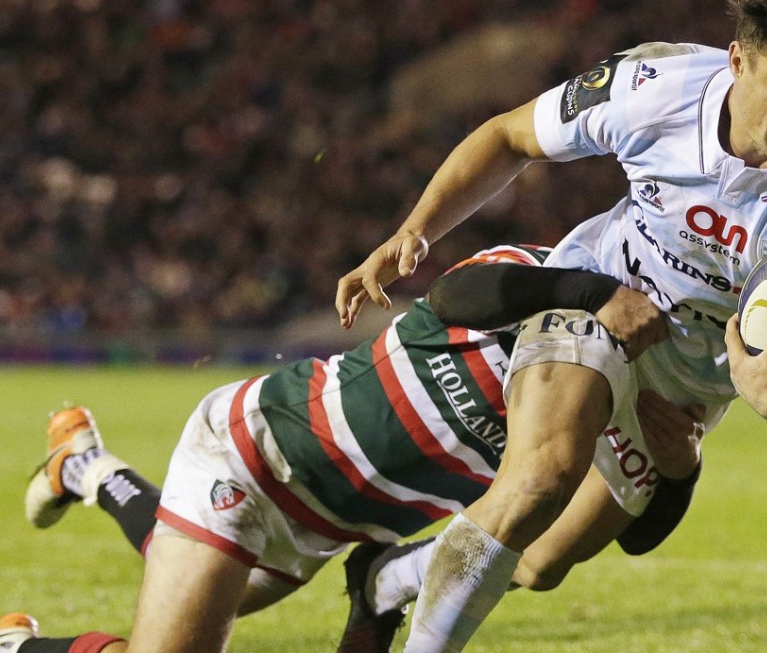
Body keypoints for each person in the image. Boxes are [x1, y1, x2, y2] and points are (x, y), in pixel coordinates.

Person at [335, 0, 767, 650]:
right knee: (539, 483)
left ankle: (383, 580)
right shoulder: (652, 87)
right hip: (599, 296)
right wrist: (416, 230)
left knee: (541, 564)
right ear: (737, 61)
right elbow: (509, 137)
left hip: (689, 386)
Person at [2, 245, 706, 653]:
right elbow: (456, 291)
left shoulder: (644, 393)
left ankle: (87, 465)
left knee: (178, 603)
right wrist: (592, 290)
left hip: (330, 529)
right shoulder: (541, 281)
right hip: (257, 457)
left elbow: (626, 532)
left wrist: (681, 473)